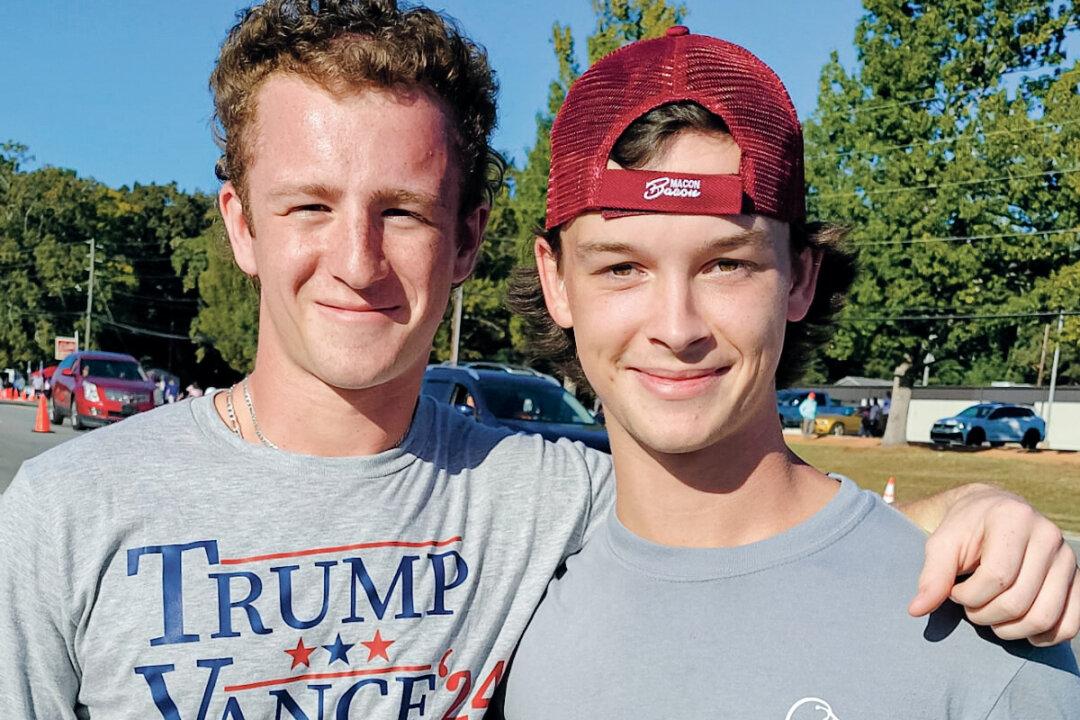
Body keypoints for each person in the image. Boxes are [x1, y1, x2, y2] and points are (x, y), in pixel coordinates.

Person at [0, 3, 1076, 717]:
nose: (358, 259)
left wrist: (970, 512)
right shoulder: (66, 514)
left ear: (468, 240)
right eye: (310, 206)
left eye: (405, 212)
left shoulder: (540, 493)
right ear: (239, 224)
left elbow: (753, 521)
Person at [497, 27, 1080, 717]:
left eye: (726, 264)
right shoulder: (513, 616)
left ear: (801, 278)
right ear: (556, 280)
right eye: (622, 267)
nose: (677, 327)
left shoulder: (985, 639)